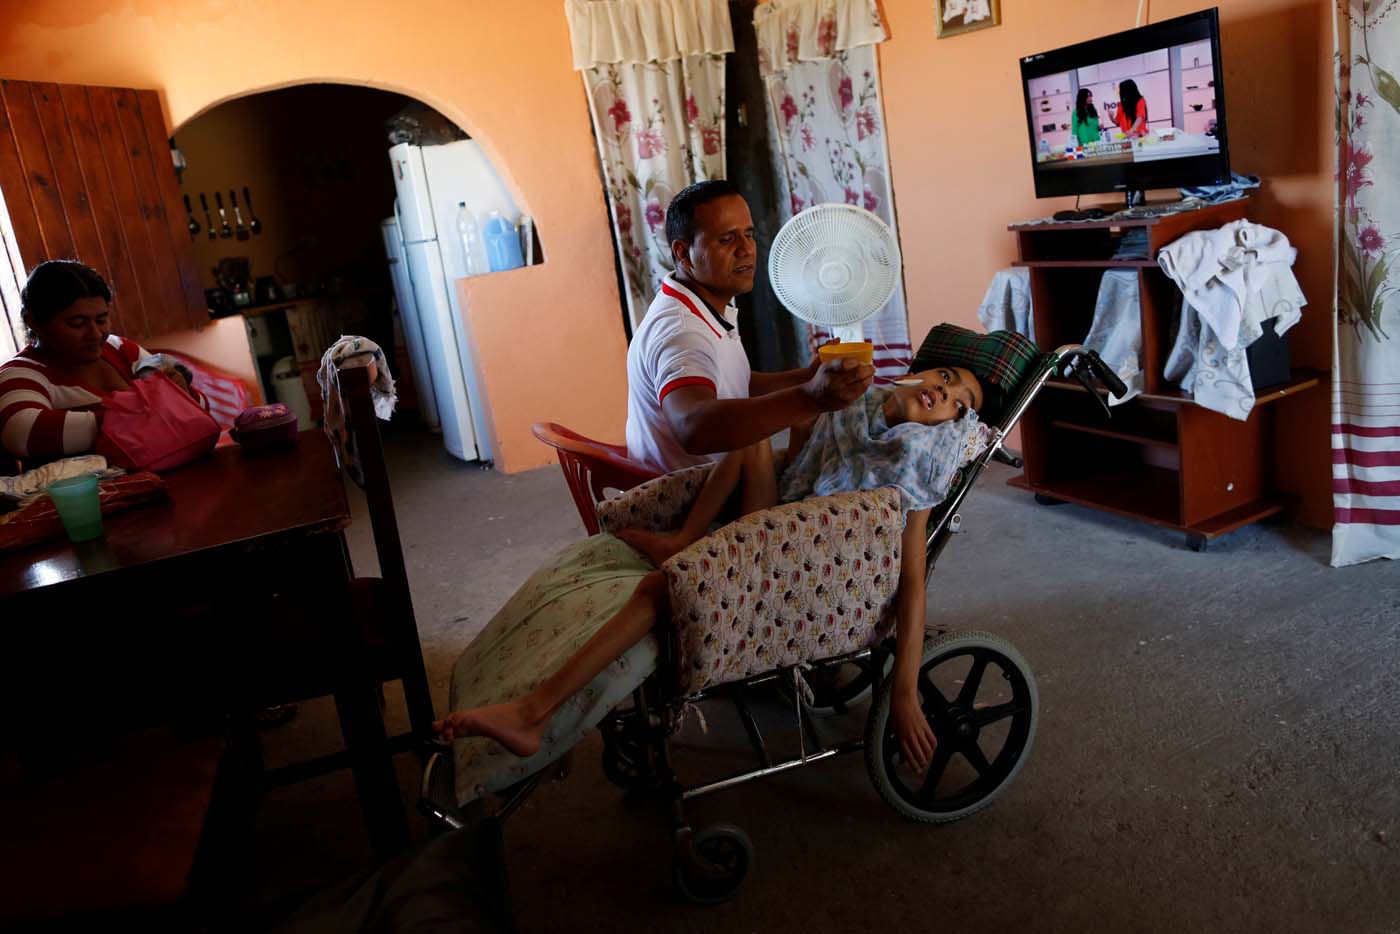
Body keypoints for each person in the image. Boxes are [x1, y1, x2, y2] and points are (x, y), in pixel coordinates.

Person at [435, 364, 985, 775]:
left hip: (818, 569)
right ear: (913, 374)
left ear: (953, 430)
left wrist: (905, 690)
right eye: (947, 377)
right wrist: (812, 402)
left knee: (660, 591)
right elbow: (798, 461)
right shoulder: (862, 405)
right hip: (786, 529)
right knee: (751, 443)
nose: (948, 394)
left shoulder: (919, 462)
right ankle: (682, 538)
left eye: (961, 405)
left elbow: (911, 583)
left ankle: (533, 714)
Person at [625, 179, 874, 476]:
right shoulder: (683, 332)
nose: (747, 250)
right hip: (689, 500)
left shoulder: (697, 303)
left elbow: (733, 383)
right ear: (682, 253)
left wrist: (805, 378)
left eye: (749, 234)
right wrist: (808, 398)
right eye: (727, 239)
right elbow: (691, 425)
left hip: (714, 483)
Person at [0, 260, 203, 466]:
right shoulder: (20, 373)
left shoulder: (120, 348)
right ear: (33, 321)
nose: (95, 334)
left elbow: (200, 407)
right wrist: (149, 415)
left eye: (101, 320)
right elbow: (21, 432)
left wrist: (181, 391)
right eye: (76, 324)